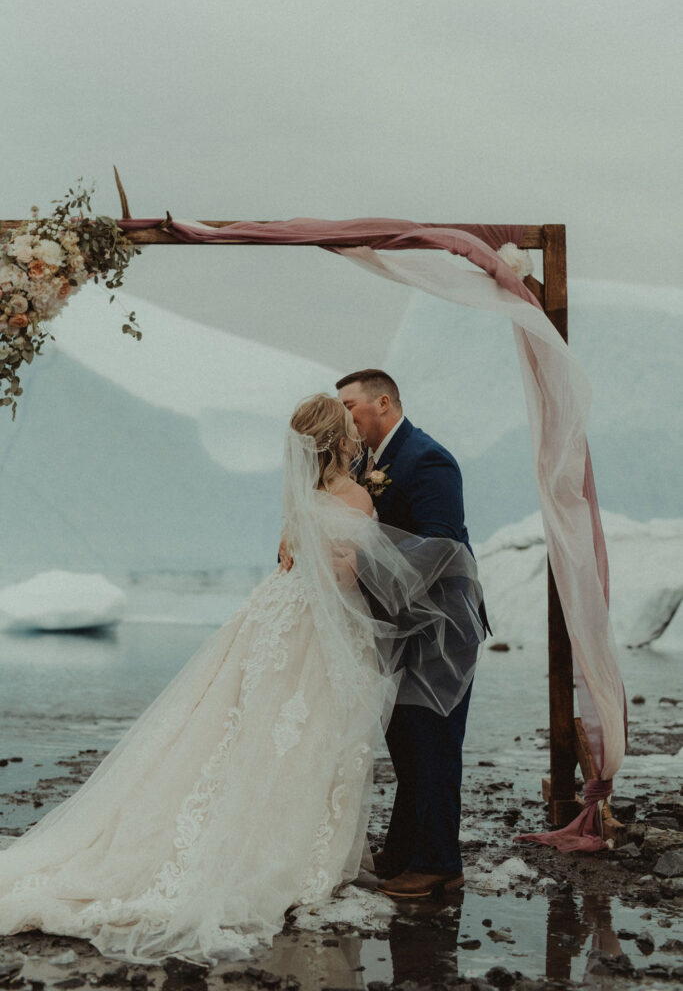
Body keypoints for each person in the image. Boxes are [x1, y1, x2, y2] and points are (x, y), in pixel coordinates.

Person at [0, 394, 484, 965]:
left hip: (280, 616)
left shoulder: (306, 496)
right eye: (347, 424)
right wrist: (347, 564)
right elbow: (352, 572)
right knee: (308, 736)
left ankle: (380, 851)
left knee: (249, 728)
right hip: (318, 628)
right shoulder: (353, 492)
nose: (356, 431)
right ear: (339, 440)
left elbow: (337, 550)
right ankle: (309, 856)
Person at [336, 369, 486, 899]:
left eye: (350, 406)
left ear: (383, 402)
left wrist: (365, 562)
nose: (345, 417)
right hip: (398, 625)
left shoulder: (429, 459)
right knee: (405, 744)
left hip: (441, 628)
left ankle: (441, 863)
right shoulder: (362, 464)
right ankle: (402, 853)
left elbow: (443, 545)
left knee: (435, 745)